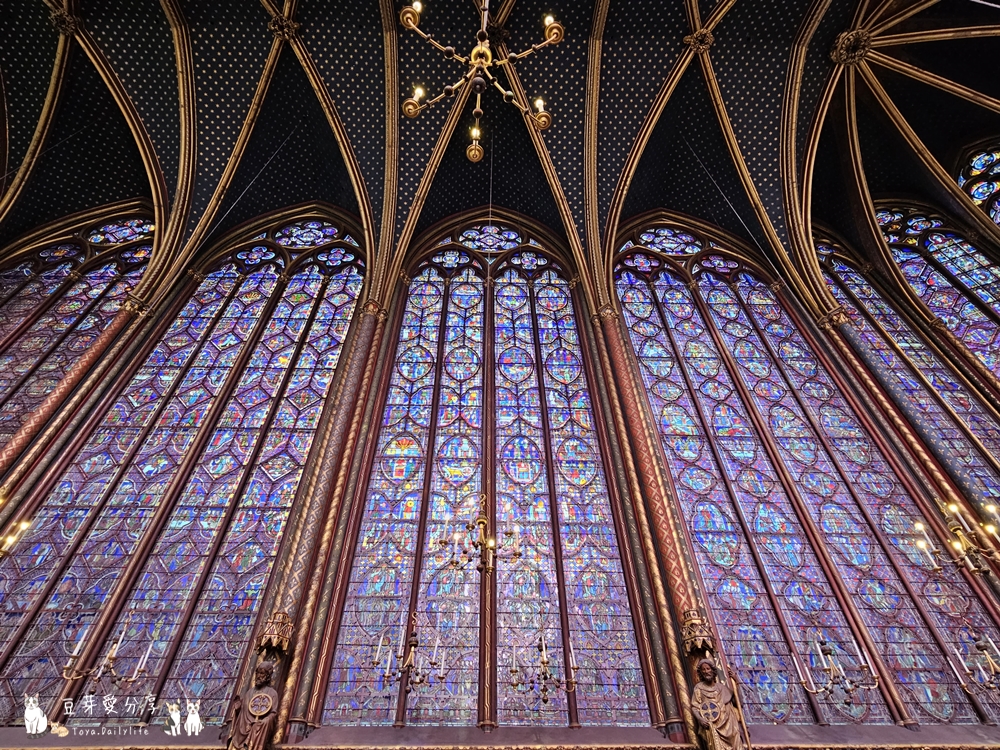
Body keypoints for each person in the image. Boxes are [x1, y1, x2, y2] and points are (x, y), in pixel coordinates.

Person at [691, 659, 746, 750]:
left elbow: (738, 702)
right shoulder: (699, 688)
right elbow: (695, 707)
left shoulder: (722, 688)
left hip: (729, 724)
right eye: (703, 670)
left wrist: (737, 682)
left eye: (708, 669)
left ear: (713, 670)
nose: (706, 671)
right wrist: (700, 719)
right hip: (713, 725)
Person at [226, 661, 279, 750]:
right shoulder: (249, 692)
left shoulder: (272, 693)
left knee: (256, 726)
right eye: (257, 673)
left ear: (267, 676)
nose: (258, 676)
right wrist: (238, 709)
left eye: (262, 673)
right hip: (242, 729)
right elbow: (243, 713)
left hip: (257, 729)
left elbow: (273, 714)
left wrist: (265, 721)